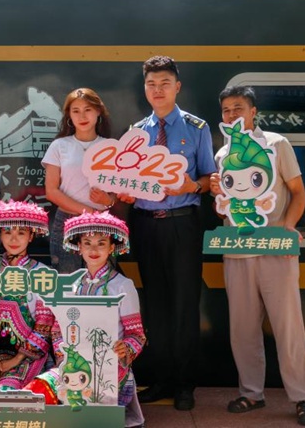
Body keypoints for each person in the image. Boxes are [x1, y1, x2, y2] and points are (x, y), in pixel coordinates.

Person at [209, 86, 305, 426]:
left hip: (276, 249)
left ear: (253, 111)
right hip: (237, 251)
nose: (231, 114)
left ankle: (303, 397)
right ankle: (251, 393)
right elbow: (223, 212)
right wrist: (218, 195)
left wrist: (288, 227)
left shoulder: (277, 144)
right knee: (242, 328)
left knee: (289, 326)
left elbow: (298, 192)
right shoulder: (223, 153)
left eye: (238, 108)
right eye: (226, 110)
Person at [118, 55, 216, 410]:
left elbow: (210, 178)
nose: (157, 90)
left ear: (177, 87)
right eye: (151, 84)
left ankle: (186, 384)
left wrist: (193, 185)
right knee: (156, 305)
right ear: (145, 89)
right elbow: (125, 180)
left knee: (185, 304)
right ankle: (161, 380)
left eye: (164, 84)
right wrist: (124, 194)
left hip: (182, 223)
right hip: (145, 224)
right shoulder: (135, 132)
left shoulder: (196, 128)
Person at [62, 211, 147, 427]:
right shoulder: (70, 285)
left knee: (97, 412)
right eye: (87, 243)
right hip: (74, 363)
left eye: (101, 244)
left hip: (109, 365)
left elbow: (137, 335)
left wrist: (124, 349)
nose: (93, 250)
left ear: (111, 248)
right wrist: (63, 353)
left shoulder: (123, 285)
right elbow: (57, 330)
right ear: (79, 247)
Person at [0, 200, 60, 390]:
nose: (14, 239)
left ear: (31, 236)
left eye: (21, 233)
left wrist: (16, 360)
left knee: (7, 389)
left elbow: (44, 325)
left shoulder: (42, 274)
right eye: (7, 232)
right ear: (0, 235)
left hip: (28, 358)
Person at [41, 88, 116, 273]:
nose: (82, 116)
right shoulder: (59, 145)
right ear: (69, 115)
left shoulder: (112, 147)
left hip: (101, 222)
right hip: (67, 220)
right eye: (76, 111)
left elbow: (121, 190)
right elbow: (51, 191)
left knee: (102, 280)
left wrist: (108, 201)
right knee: (67, 279)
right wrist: (88, 211)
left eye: (88, 109)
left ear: (98, 112)